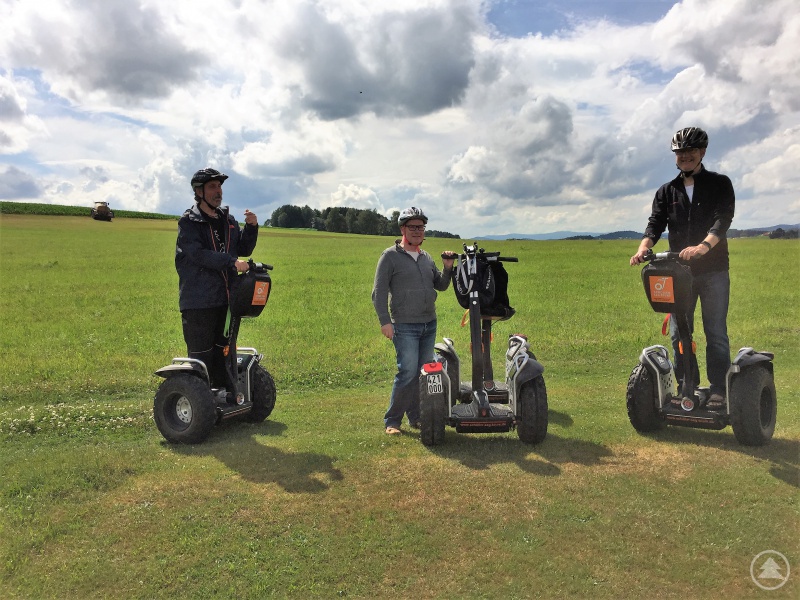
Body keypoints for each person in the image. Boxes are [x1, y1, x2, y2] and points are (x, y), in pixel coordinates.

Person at [630, 127, 735, 409]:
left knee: (715, 332)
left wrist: (703, 247)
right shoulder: (667, 191)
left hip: (713, 270)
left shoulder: (719, 184)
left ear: (702, 153)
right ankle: (687, 387)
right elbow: (655, 224)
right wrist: (643, 248)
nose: (685, 156)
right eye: (680, 152)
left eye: (690, 151)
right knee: (679, 333)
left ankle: (718, 390)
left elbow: (722, 220)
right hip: (678, 273)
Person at [175, 168, 259, 402]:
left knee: (225, 350)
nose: (218, 191)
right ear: (199, 191)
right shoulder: (189, 222)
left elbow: (242, 249)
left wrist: (251, 228)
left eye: (219, 186)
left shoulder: (227, 221)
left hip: (226, 298)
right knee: (202, 355)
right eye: (212, 186)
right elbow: (198, 255)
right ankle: (200, 402)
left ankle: (226, 396)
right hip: (199, 301)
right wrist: (231, 262)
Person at [372, 207, 457, 434]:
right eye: (412, 227)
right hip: (404, 325)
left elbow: (440, 285)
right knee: (407, 372)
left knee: (422, 373)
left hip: (429, 324)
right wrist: (385, 321)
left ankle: (416, 417)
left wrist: (448, 268)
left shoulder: (426, 257)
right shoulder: (389, 256)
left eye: (421, 227)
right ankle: (392, 421)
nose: (417, 231)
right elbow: (378, 292)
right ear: (403, 229)